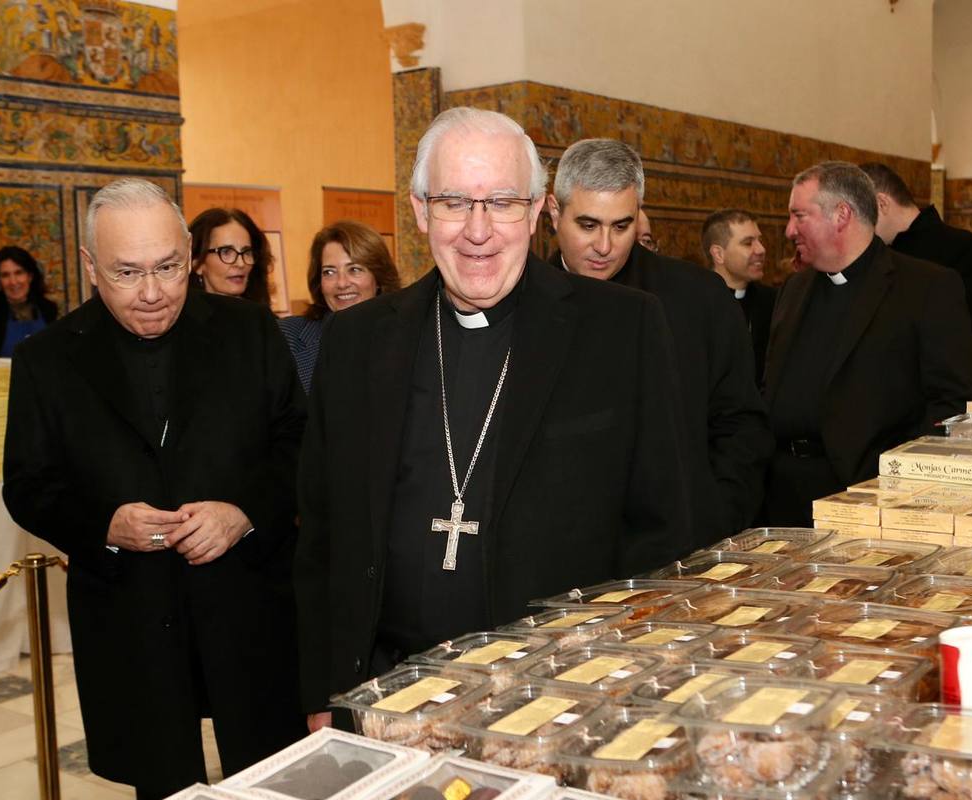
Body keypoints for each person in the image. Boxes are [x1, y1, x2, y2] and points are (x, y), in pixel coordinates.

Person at [296, 108, 694, 730]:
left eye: (503, 203)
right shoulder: (355, 341)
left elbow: (659, 535)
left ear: (537, 210)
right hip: (383, 691)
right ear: (421, 210)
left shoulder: (623, 329)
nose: (477, 232)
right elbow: (322, 531)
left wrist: (627, 694)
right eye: (454, 202)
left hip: (556, 701)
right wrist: (323, 692)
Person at [3, 178, 306, 800]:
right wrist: (103, 525)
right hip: (134, 616)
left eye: (168, 268)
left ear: (189, 255)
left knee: (278, 787)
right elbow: (28, 485)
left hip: (246, 606)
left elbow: (299, 446)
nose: (152, 293)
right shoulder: (49, 359)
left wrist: (243, 513)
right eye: (126, 273)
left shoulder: (246, 330)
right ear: (90, 267)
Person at [548, 139, 772, 546]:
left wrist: (715, 519)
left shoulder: (698, 297)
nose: (604, 246)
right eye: (587, 225)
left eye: (621, 226)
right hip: (558, 548)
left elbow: (740, 424)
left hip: (677, 546)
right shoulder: (525, 302)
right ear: (553, 212)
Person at [764, 161, 972, 526]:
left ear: (841, 214)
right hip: (779, 496)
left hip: (865, 492)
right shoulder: (793, 289)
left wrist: (888, 473)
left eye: (799, 216)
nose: (789, 230)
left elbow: (951, 402)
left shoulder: (926, 287)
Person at [861, 162, 972, 335]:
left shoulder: (965, 248)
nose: (859, 226)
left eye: (861, 214)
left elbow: (956, 332)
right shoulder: (875, 253)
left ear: (882, 203)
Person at [280, 221, 400, 393]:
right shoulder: (288, 338)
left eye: (355, 270)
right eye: (329, 272)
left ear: (378, 278)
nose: (342, 283)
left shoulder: (407, 340)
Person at [702, 208, 776, 382]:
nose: (761, 249)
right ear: (718, 254)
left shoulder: (774, 301)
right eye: (748, 243)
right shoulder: (696, 304)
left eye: (760, 240)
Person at [0, 245, 59, 362]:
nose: (13, 282)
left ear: (30, 276)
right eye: (5, 275)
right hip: (1, 379)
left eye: (18, 273)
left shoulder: (49, 309)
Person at [189, 207, 274, 305]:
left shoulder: (265, 318)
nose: (241, 263)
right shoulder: (180, 318)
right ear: (197, 264)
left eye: (247, 252)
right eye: (226, 252)